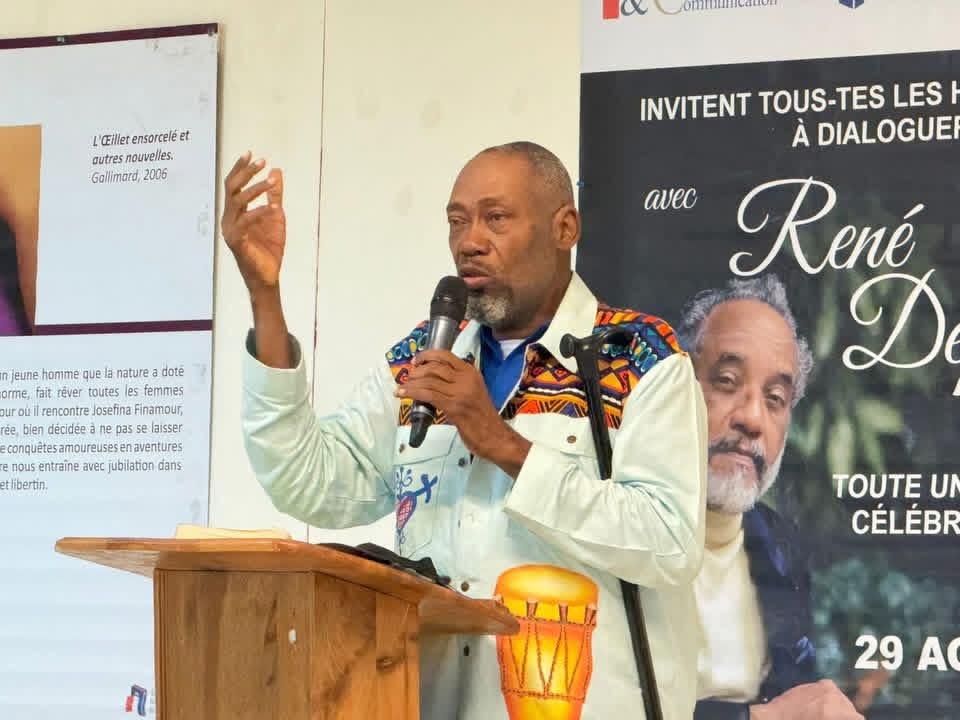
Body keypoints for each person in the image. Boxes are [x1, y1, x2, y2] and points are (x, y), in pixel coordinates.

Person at [223, 141, 709, 719]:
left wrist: (501, 443)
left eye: (495, 218)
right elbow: (308, 482)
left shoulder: (638, 357)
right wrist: (265, 296)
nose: (469, 241)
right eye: (457, 221)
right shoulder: (424, 357)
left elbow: (671, 542)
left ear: (565, 228)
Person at [676, 275, 864, 720]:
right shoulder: (611, 530)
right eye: (727, 381)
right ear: (673, 390)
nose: (753, 419)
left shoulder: (779, 549)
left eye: (776, 398)